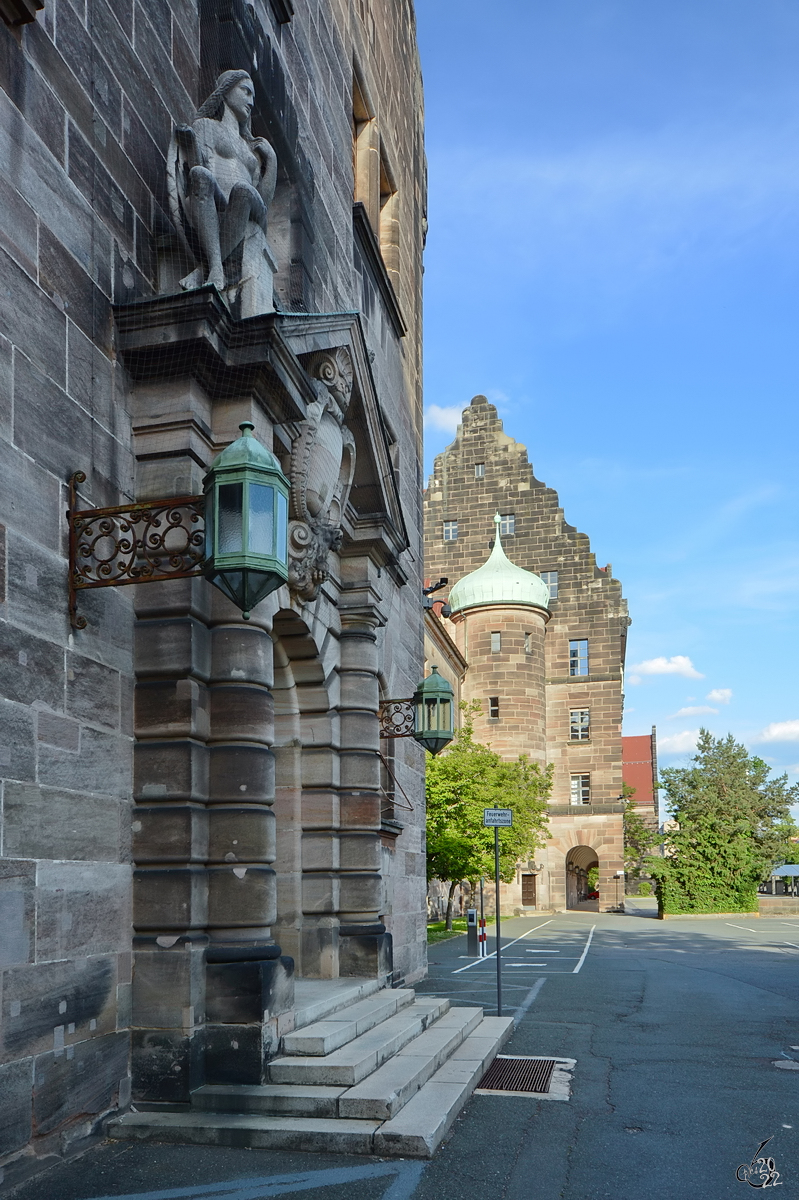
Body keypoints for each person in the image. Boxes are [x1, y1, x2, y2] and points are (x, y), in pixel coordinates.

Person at [169, 70, 278, 291]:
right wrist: (190, 144)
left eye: (253, 96)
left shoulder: (252, 149)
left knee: (243, 190)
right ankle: (216, 267)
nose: (251, 102)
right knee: (200, 175)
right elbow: (199, 171)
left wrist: (272, 162)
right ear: (226, 91)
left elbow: (263, 202)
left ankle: (206, 269)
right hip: (217, 203)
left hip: (246, 205)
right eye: (245, 92)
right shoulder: (206, 127)